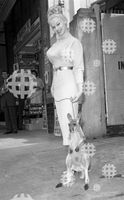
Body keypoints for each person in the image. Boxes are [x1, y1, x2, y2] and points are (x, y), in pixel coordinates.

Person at [47, 5, 84, 147]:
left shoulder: (74, 43)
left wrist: (80, 87)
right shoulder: (55, 45)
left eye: (58, 24)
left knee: (72, 126)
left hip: (70, 85)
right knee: (65, 128)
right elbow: (55, 68)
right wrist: (52, 85)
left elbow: (79, 66)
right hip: (58, 87)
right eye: (53, 26)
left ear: (65, 22)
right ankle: (72, 166)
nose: (57, 28)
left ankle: (79, 164)